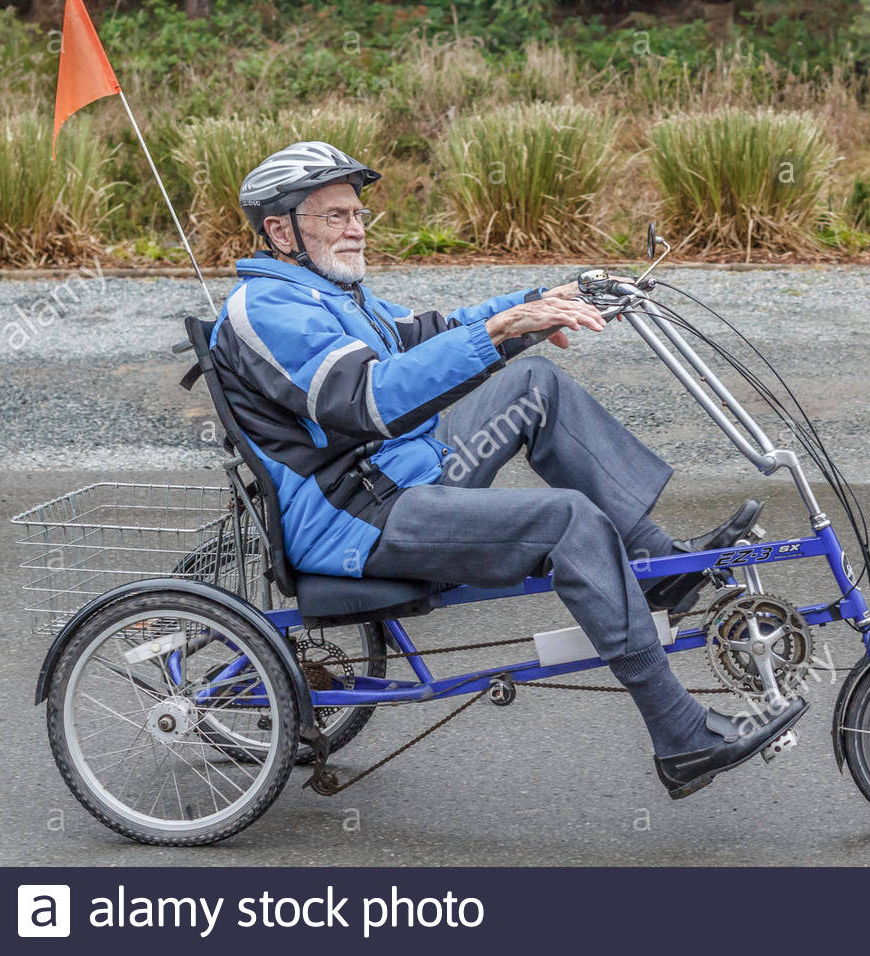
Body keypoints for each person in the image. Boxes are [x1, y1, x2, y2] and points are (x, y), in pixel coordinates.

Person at [211, 141, 806, 798]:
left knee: (533, 386)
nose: (355, 228)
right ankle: (681, 736)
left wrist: (539, 301)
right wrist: (498, 332)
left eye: (357, 213)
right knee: (567, 523)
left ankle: (660, 571)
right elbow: (366, 400)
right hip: (358, 519)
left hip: (401, 478)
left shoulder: (333, 293)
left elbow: (432, 332)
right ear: (278, 229)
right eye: (334, 216)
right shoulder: (267, 309)